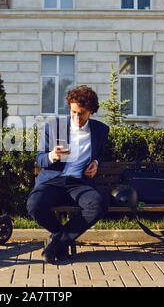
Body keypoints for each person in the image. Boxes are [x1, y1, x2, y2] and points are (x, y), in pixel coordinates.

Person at [27, 85, 110, 263]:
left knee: (98, 204)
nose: (77, 117)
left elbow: (101, 154)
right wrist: (52, 155)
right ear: (70, 107)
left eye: (82, 113)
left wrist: (96, 163)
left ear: (92, 111)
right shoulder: (55, 126)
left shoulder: (100, 130)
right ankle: (62, 240)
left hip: (79, 183)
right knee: (34, 205)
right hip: (53, 180)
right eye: (74, 112)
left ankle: (57, 243)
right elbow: (39, 159)